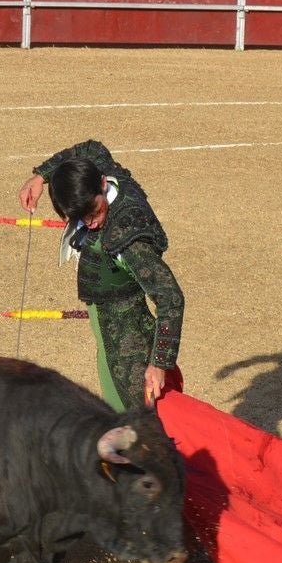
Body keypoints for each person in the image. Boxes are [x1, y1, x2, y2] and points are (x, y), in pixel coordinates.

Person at [18, 141, 184, 412]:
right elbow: (90, 148)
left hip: (129, 343)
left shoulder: (129, 239)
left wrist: (159, 363)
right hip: (109, 333)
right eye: (80, 217)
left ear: (104, 185)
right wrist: (41, 176)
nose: (91, 223)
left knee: (137, 422)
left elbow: (170, 297)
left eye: (93, 212)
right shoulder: (99, 170)